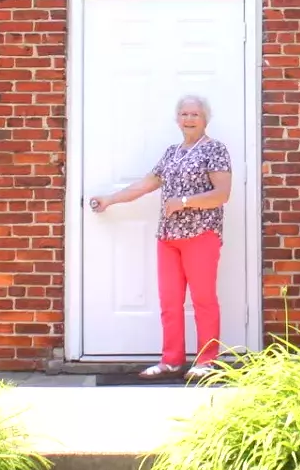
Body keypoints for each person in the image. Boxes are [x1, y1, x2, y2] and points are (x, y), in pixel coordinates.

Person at [89, 95, 233, 381]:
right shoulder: (171, 153)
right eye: (184, 114)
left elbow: (222, 194)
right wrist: (110, 199)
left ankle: (207, 361)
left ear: (205, 118)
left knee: (203, 299)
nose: (189, 119)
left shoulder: (215, 149)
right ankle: (171, 360)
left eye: (194, 114)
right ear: (177, 119)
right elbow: (145, 185)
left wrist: (183, 201)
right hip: (167, 236)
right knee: (169, 301)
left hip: (200, 234)